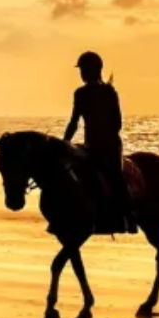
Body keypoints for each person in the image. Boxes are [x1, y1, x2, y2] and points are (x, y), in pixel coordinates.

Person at [63, 51, 132, 230]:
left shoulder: (109, 92)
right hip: (90, 146)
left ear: (93, 70)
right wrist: (64, 144)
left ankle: (127, 216)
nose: (81, 73)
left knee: (115, 176)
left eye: (83, 69)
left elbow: (117, 123)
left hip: (109, 146)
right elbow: (74, 122)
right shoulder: (80, 93)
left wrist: (102, 141)